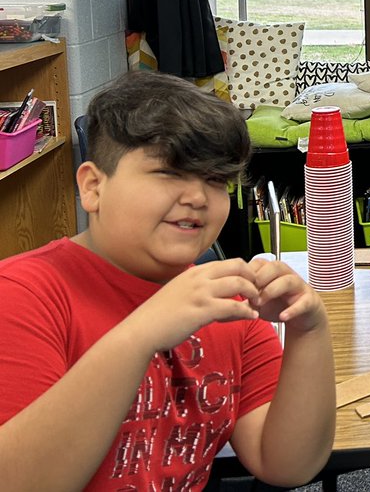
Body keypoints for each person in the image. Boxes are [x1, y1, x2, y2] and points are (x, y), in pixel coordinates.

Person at [0, 71, 335, 491]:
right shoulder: (23, 294)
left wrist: (310, 329)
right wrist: (140, 334)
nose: (197, 196)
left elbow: (287, 464)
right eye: (170, 172)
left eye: (216, 180)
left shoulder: (227, 303)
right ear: (92, 187)